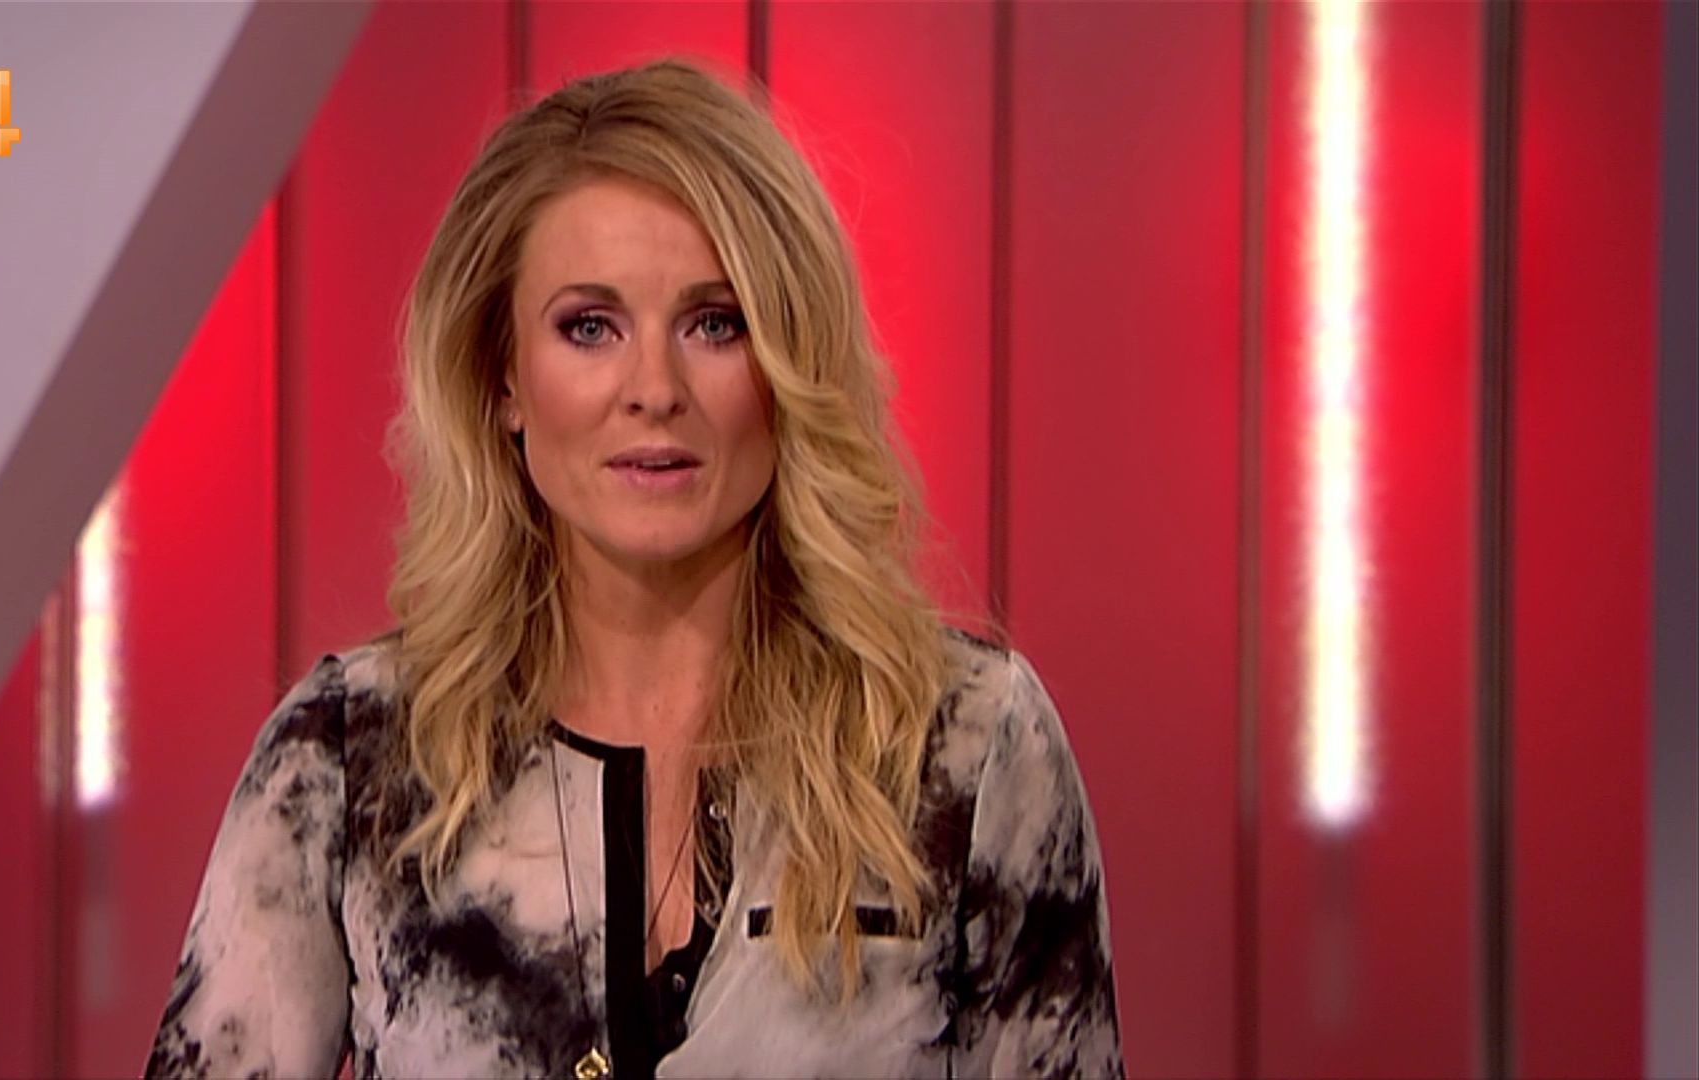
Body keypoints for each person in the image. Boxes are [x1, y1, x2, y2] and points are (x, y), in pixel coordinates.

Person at [144, 56, 1122, 1080]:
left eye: (715, 323)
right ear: (504, 378)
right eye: (590, 328)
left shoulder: (964, 746)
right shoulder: (356, 759)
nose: (654, 388)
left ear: (789, 364)